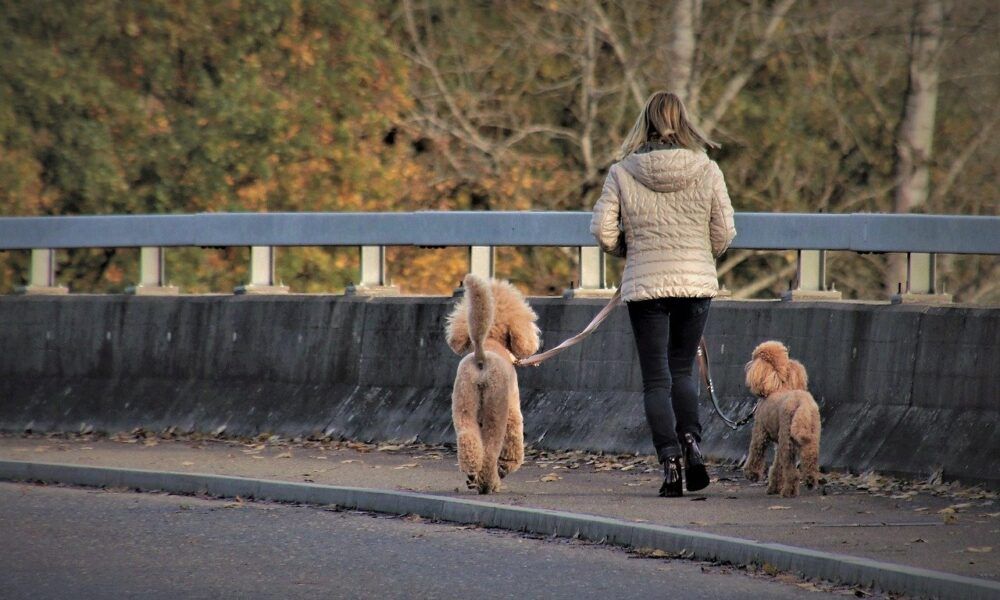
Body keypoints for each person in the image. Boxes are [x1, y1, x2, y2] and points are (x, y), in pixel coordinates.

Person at [590, 91, 736, 497]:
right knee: (682, 370)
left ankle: (669, 462)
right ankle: (692, 442)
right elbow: (724, 234)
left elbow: (602, 232)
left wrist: (630, 249)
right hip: (694, 284)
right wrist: (699, 253)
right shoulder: (707, 169)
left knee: (656, 379)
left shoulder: (622, 172)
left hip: (646, 286)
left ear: (645, 123)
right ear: (684, 122)